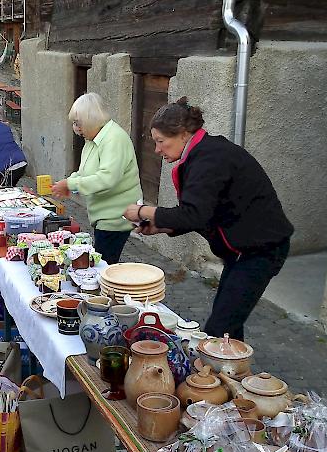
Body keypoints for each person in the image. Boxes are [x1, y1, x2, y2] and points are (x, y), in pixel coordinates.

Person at [122, 97, 294, 341]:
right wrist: (160, 226)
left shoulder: (210, 158)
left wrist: (144, 212)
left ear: (183, 134)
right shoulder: (203, 153)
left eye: (161, 142)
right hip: (242, 250)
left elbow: (193, 214)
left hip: (261, 250)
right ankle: (230, 370)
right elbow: (202, 214)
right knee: (227, 323)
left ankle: (219, 373)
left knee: (220, 326)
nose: (157, 150)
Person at [51, 93, 142, 265]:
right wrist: (69, 184)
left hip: (115, 217)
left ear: (90, 120)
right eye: (74, 123)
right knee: (102, 264)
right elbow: (86, 172)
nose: (75, 129)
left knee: (104, 267)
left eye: (78, 123)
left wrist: (70, 183)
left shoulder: (114, 139)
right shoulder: (93, 140)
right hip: (103, 216)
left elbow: (106, 179)